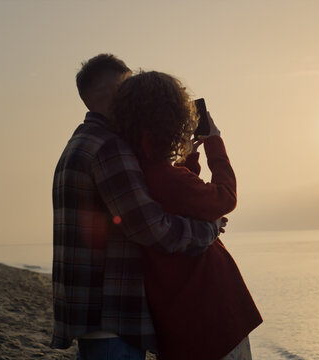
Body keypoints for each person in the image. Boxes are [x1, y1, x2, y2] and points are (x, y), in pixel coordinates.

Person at [51, 54, 223, 359]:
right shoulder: (109, 148)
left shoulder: (81, 142)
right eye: (130, 85)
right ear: (117, 91)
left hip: (94, 316)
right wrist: (208, 229)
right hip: (112, 316)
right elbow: (151, 228)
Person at [111, 71, 262, 360]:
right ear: (170, 119)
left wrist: (189, 159)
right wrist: (215, 144)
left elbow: (183, 196)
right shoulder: (166, 177)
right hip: (209, 319)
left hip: (183, 316)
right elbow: (225, 197)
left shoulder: (142, 173)